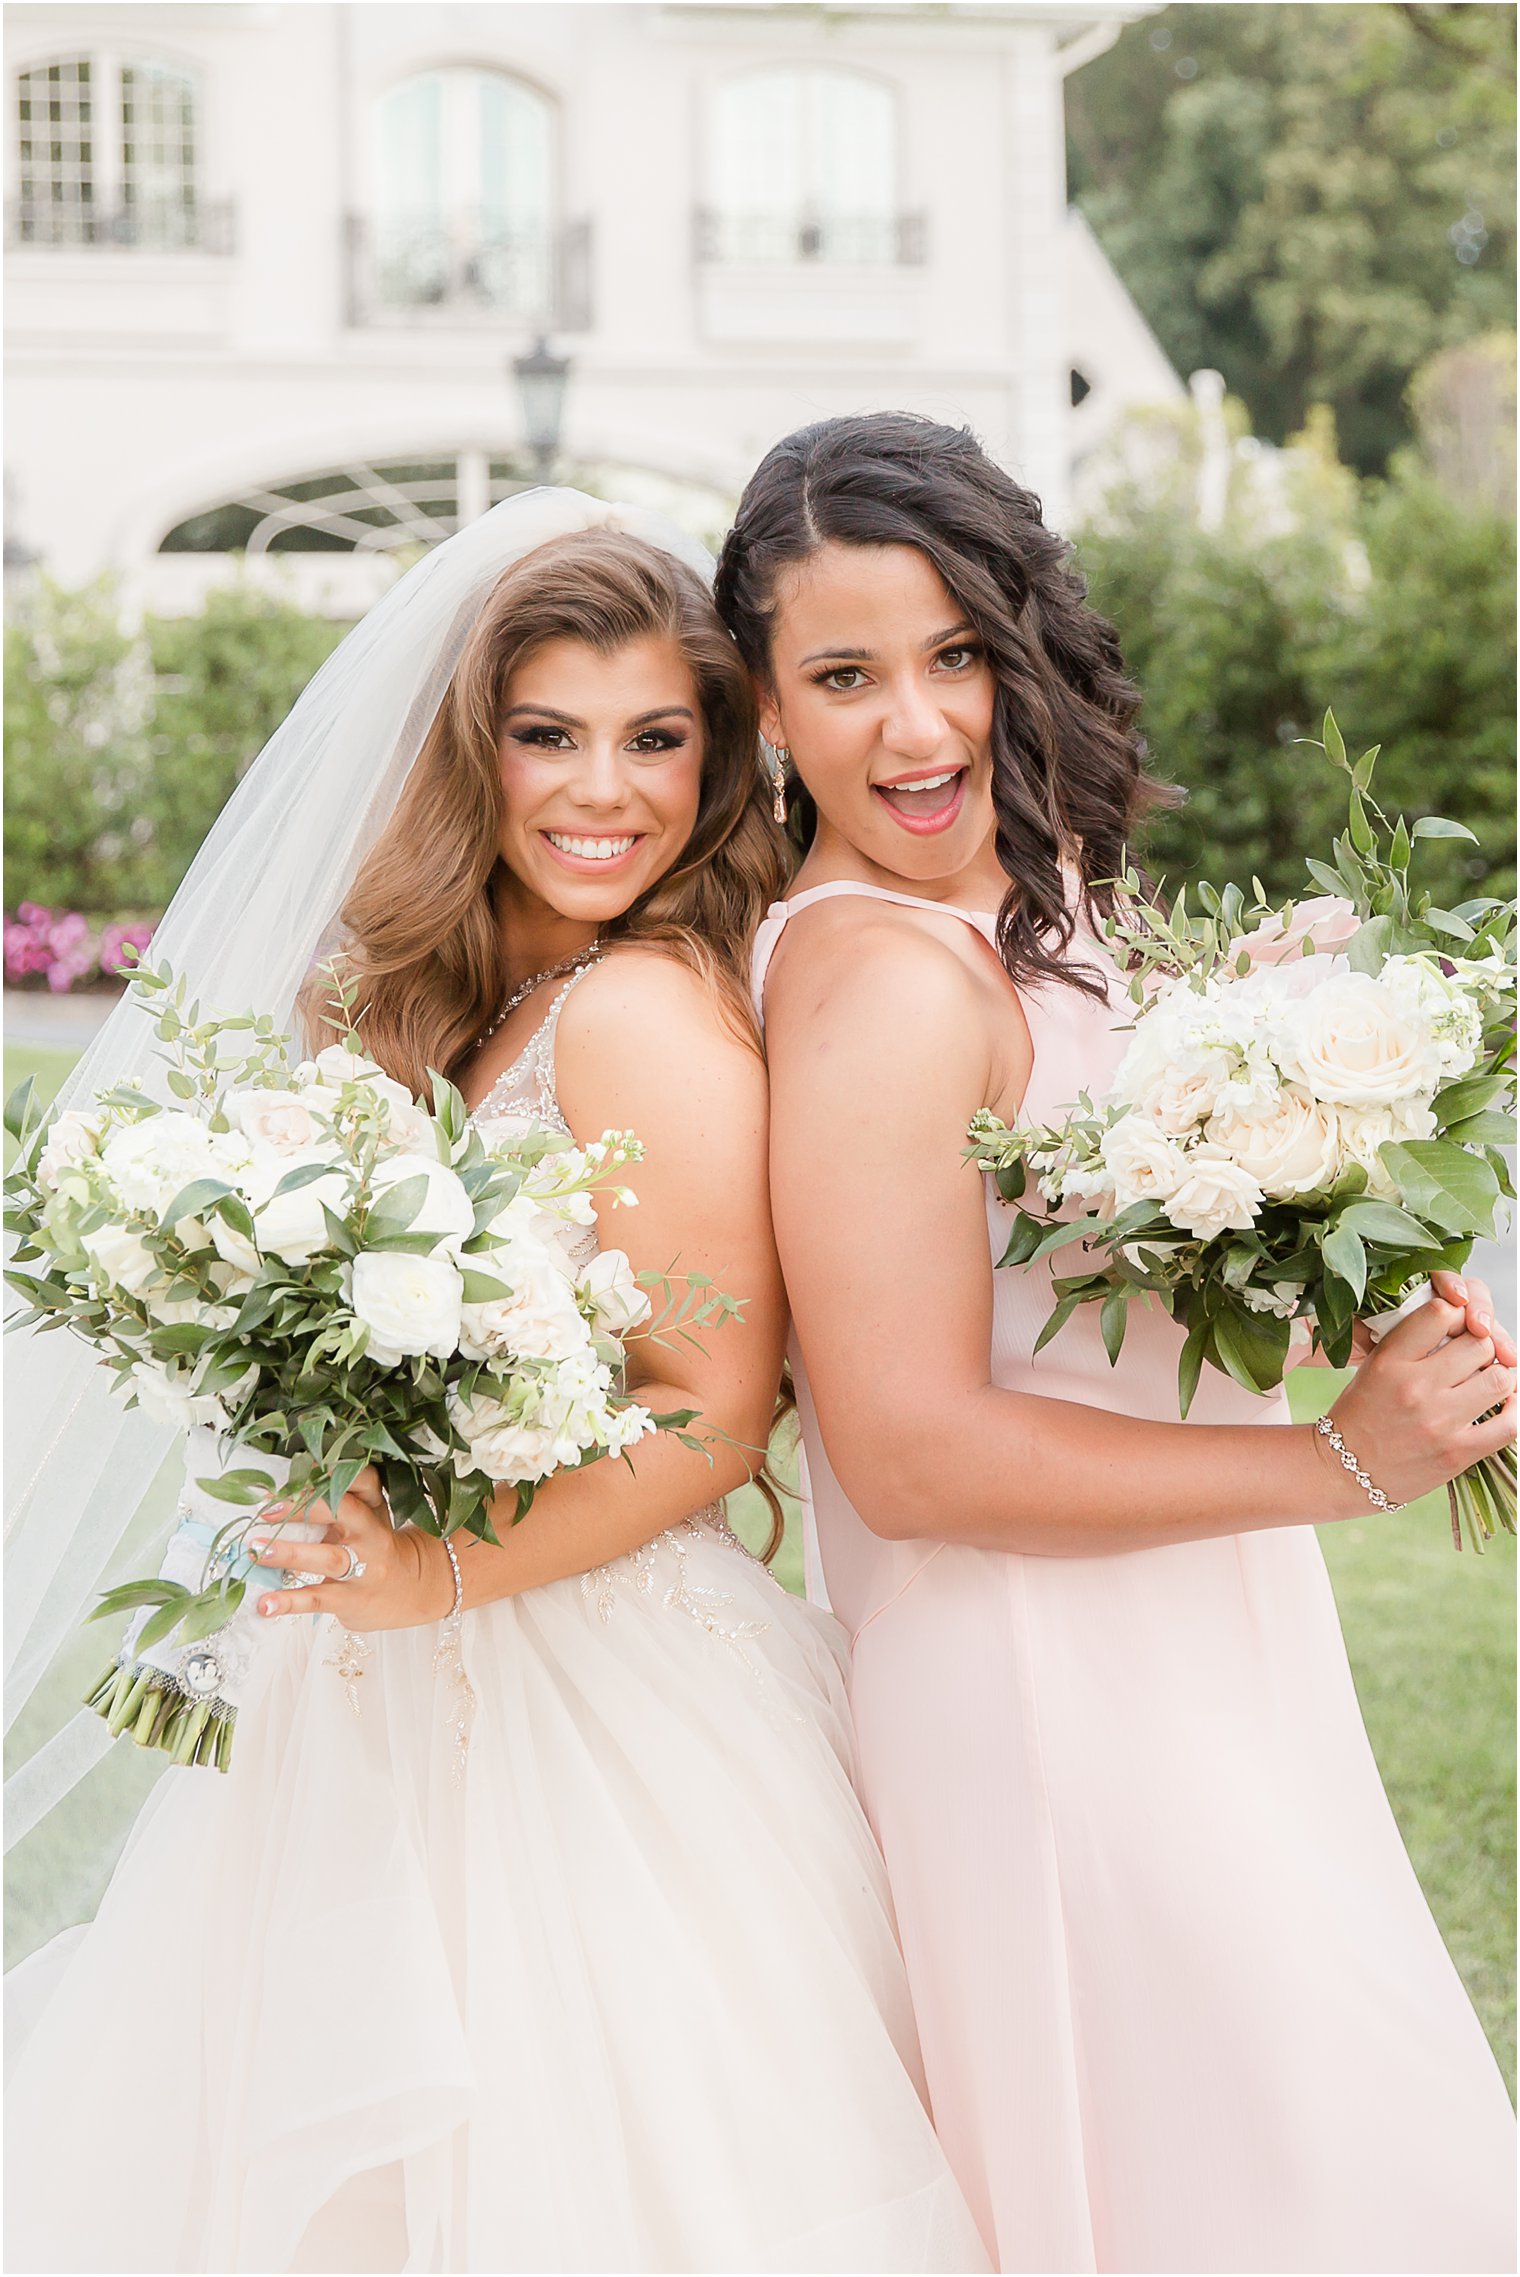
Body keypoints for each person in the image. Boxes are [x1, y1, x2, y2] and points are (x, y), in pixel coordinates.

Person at [5, 501, 989, 2275]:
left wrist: (437, 1566)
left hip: (583, 1681)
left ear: (721, 753)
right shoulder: (465, 996)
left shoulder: (640, 1013)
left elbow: (710, 1405)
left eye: (656, 739)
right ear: (475, 748)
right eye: (548, 734)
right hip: (374, 1658)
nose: (600, 789)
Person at [719, 411, 1518, 2276]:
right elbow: (908, 1452)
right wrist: (1341, 1458)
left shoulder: (1018, 906)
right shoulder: (876, 985)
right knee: (1253, 2176)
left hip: (1198, 1644)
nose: (916, 728)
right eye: (843, 677)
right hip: (1046, 1691)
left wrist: (1281, 1080)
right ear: (764, 707)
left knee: (1318, 2157)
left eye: (954, 656)